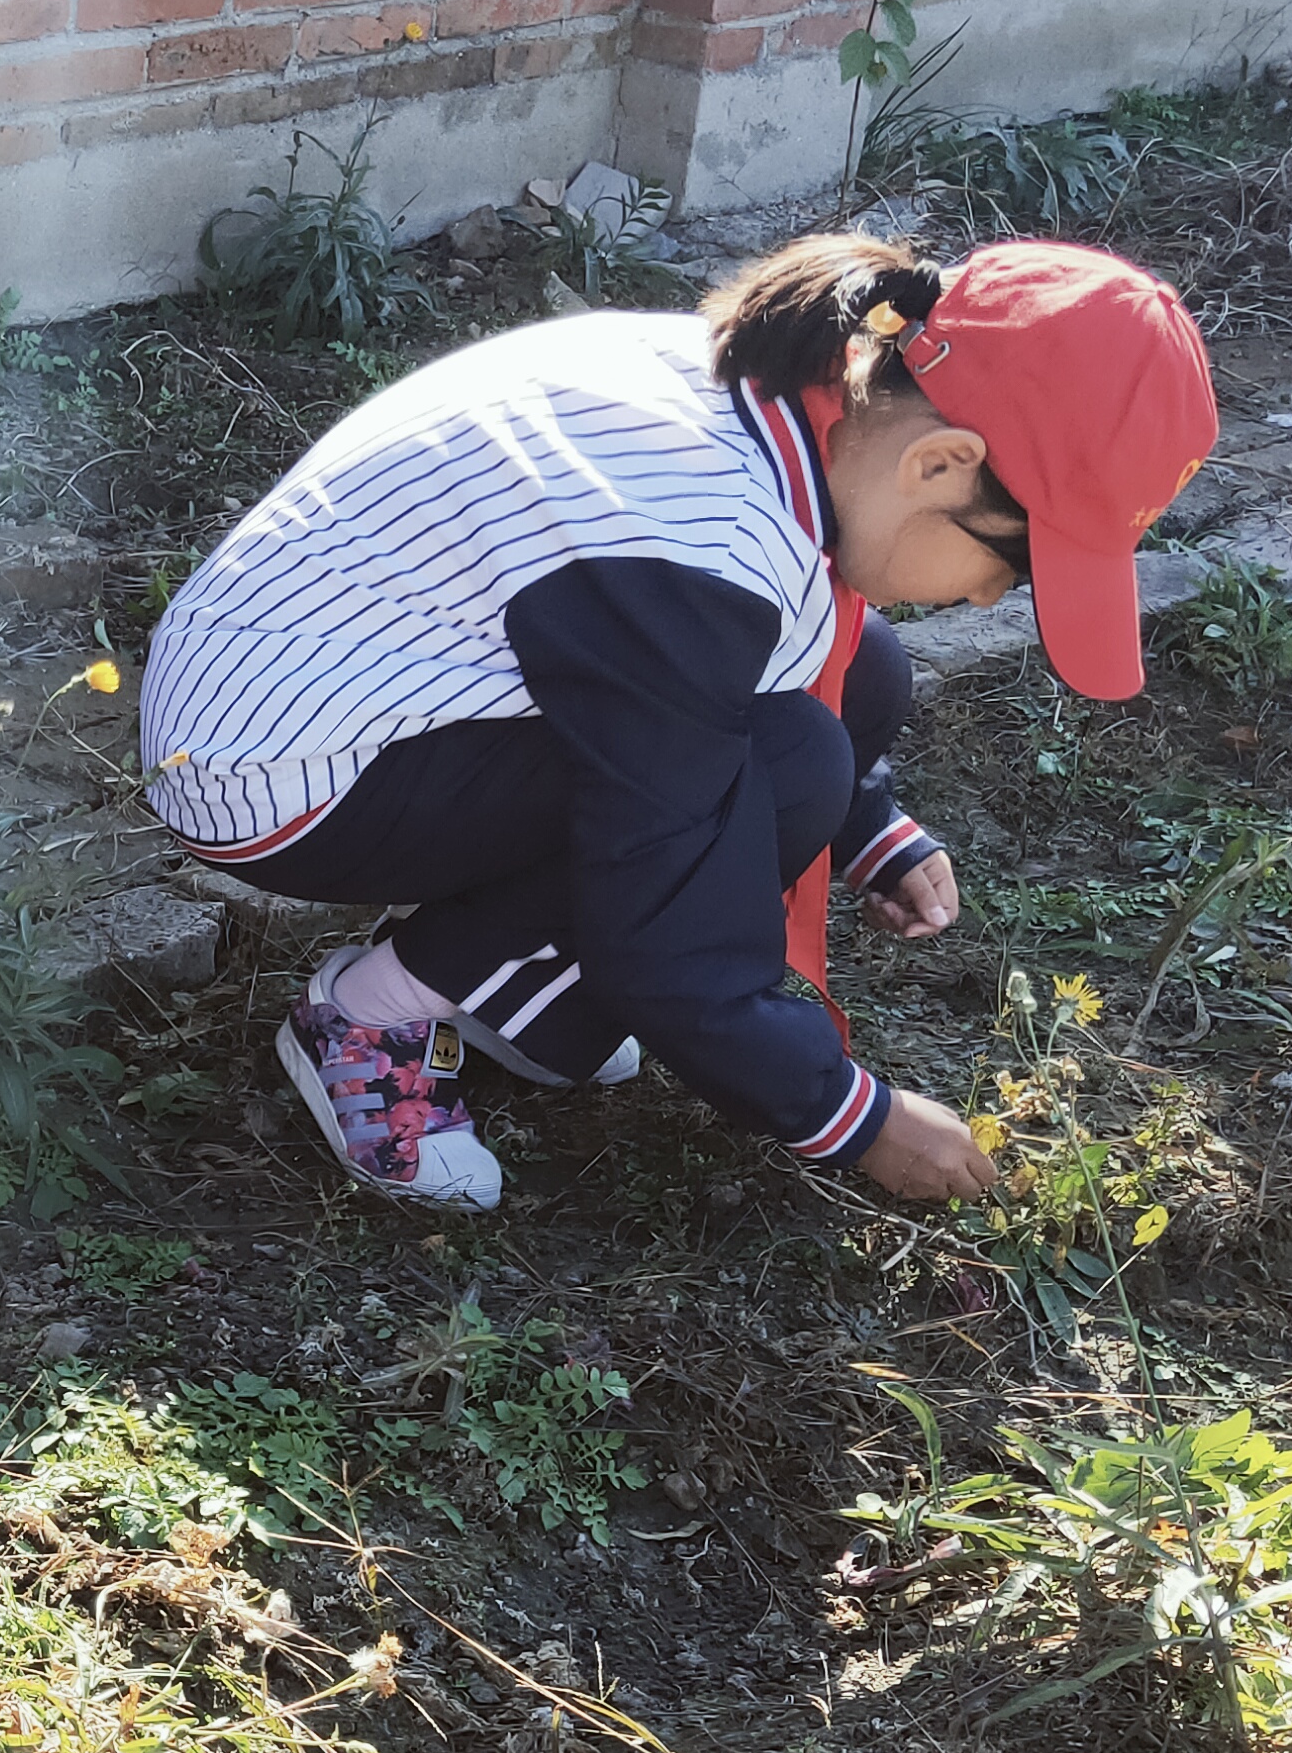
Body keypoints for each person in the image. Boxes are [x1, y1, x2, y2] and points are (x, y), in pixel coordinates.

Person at [133, 233, 1217, 1210]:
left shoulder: (793, 387)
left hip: (384, 681)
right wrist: (851, 1115)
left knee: (863, 682)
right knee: (784, 764)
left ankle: (516, 990)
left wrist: (862, 822)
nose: (992, 598)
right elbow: (668, 911)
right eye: (1014, 563)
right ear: (939, 465)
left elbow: (821, 662)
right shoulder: (697, 548)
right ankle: (366, 1015)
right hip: (272, 772)